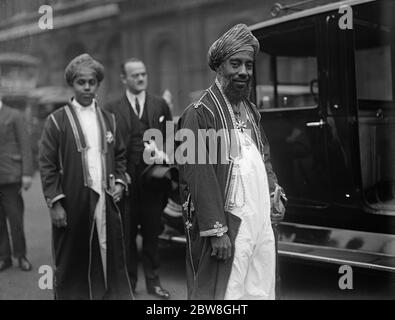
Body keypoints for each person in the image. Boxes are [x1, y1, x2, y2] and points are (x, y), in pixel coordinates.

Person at [177, 24, 285, 300]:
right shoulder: (198, 113)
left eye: (248, 65)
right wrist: (216, 230)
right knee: (226, 292)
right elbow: (198, 175)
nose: (243, 72)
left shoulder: (250, 111)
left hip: (259, 220)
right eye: (235, 63)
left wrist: (275, 192)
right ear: (219, 67)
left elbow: (264, 157)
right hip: (229, 222)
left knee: (260, 288)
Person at [38, 53, 133, 300]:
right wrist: (55, 203)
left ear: (98, 84)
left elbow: (121, 155)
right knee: (72, 258)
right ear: (72, 84)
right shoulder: (56, 121)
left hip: (106, 199)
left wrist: (121, 182)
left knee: (106, 251)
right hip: (73, 201)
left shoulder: (109, 119)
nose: (87, 87)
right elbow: (47, 165)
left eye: (92, 82)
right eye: (81, 82)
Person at [105, 58, 172, 299]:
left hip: (153, 179)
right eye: (135, 75)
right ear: (124, 78)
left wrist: (164, 154)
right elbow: (108, 148)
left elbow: (171, 139)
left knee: (153, 233)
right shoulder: (111, 108)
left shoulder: (160, 105)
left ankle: (154, 283)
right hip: (127, 178)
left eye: (143, 74)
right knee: (127, 233)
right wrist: (118, 178)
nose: (141, 78)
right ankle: (129, 284)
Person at [0, 96, 33, 272]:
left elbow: (25, 145)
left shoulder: (14, 115)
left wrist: (27, 173)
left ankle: (20, 256)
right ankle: (4, 258)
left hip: (11, 176)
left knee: (15, 219)